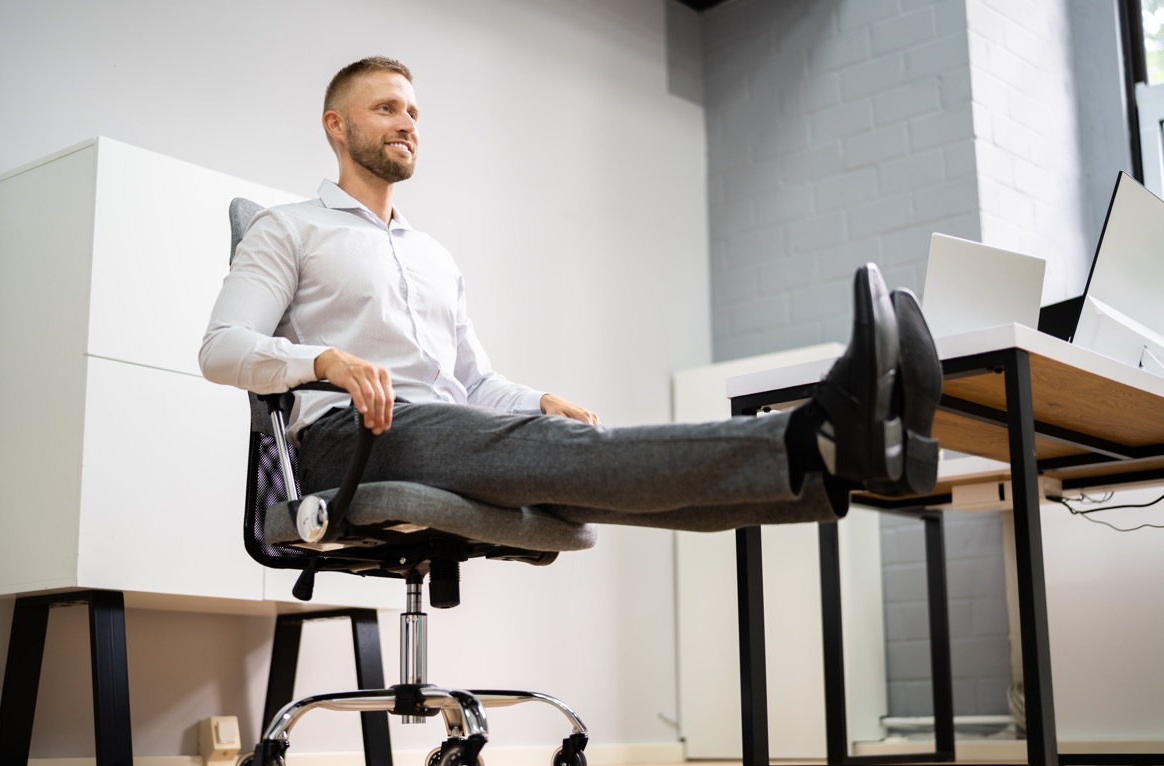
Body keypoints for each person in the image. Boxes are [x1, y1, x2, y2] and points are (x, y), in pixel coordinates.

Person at [199, 56, 942, 532]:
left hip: (443, 429)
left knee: (588, 479)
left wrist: (538, 400)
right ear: (336, 126)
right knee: (556, 452)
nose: (408, 124)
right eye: (387, 108)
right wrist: (325, 361)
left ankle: (836, 467)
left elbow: (474, 383)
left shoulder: (432, 256)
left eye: (414, 112)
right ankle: (818, 431)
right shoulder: (289, 228)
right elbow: (221, 349)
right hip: (349, 444)